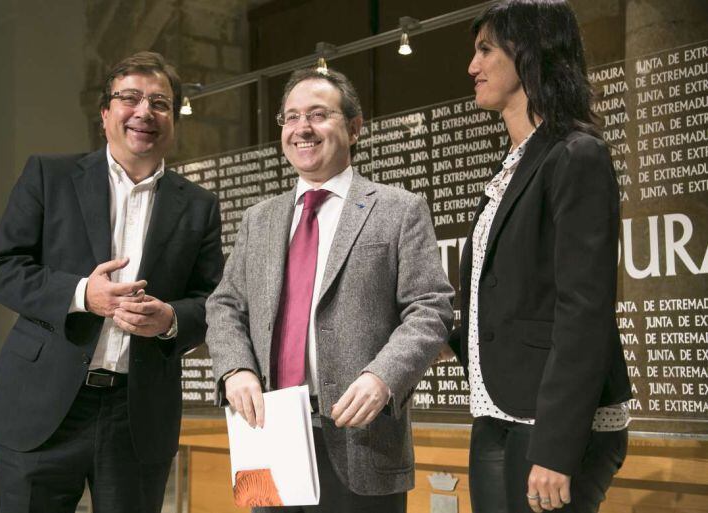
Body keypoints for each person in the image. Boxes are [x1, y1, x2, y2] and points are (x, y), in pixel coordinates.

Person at [0, 51, 223, 513]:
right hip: (43, 408)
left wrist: (170, 318)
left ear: (173, 119)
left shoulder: (199, 206)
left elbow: (213, 301)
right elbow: (0, 268)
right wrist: (80, 294)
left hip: (137, 416)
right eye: (129, 97)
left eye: (160, 102)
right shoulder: (49, 176)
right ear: (106, 113)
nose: (144, 111)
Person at [206, 68, 454, 512]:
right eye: (292, 117)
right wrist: (235, 369)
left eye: (319, 115)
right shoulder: (258, 220)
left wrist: (383, 377)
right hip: (270, 435)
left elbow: (430, 308)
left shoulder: (398, 210)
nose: (302, 128)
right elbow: (224, 305)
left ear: (354, 128)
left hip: (363, 438)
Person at [443, 1, 633, 512]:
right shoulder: (514, 166)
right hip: (497, 412)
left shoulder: (576, 154)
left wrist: (556, 448)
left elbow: (583, 310)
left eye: (485, 50)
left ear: (529, 55)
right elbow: (510, 299)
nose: (472, 67)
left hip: (551, 425)